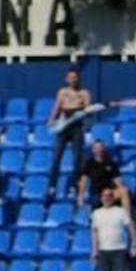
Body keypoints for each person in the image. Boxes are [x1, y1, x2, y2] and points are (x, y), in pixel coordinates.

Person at [46, 67, 93, 202]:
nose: (73, 80)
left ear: (78, 78)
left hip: (76, 125)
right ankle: (52, 186)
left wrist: (84, 117)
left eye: (75, 77)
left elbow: (88, 109)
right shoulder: (62, 92)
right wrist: (52, 119)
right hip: (64, 124)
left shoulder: (84, 93)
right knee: (56, 157)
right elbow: (57, 107)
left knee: (77, 158)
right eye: (70, 77)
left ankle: (74, 186)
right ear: (67, 79)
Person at [90, 186, 136, 271]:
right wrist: (94, 250)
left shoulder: (120, 212)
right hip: (104, 251)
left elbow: (130, 227)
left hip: (119, 250)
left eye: (110, 195)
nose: (107, 198)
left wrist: (134, 244)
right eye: (105, 196)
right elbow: (95, 232)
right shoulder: (97, 213)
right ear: (101, 198)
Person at [76, 140, 132, 214]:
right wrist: (80, 197)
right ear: (93, 150)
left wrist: (122, 188)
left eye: (100, 147)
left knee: (123, 191)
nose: (98, 149)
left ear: (103, 149)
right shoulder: (89, 164)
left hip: (109, 192)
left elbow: (118, 181)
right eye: (96, 148)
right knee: (106, 197)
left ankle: (127, 218)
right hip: (97, 194)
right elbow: (83, 181)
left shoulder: (110, 163)